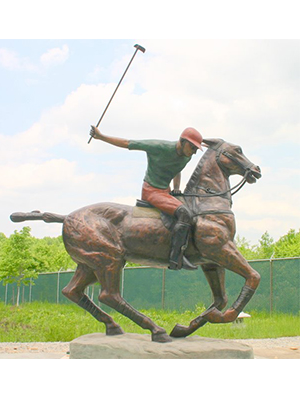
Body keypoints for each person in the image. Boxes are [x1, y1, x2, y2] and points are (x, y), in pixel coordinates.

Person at [89, 126, 203, 271]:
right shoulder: (159, 147)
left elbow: (176, 169)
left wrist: (176, 189)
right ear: (182, 141)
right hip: (152, 192)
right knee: (184, 213)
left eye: (195, 149)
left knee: (192, 209)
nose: (193, 152)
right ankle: (176, 258)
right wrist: (101, 136)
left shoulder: (186, 156)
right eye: (192, 147)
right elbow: (127, 143)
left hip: (166, 192)